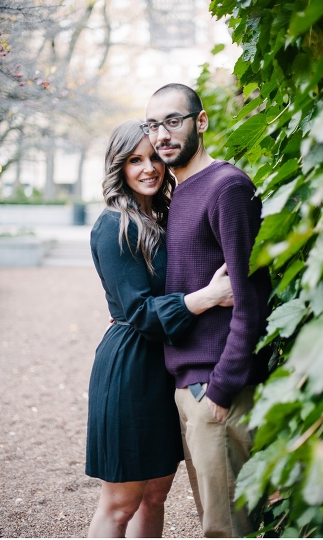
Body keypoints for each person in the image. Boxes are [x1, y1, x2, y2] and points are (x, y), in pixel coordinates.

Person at [86, 119, 235, 538]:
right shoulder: (113, 225)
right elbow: (139, 312)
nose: (148, 168)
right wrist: (208, 297)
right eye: (135, 160)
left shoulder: (166, 215)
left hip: (168, 366)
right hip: (131, 368)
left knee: (155, 495)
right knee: (119, 503)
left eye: (153, 157)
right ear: (119, 167)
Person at [143, 83, 272, 537]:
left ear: (200, 122)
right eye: (154, 125)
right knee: (212, 521)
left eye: (173, 121)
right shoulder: (178, 193)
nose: (162, 134)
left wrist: (220, 389)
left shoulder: (227, 188)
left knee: (229, 529)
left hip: (218, 387)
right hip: (190, 384)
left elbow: (250, 297)